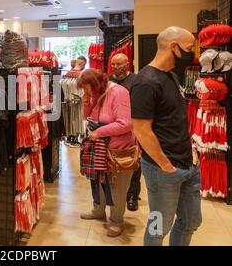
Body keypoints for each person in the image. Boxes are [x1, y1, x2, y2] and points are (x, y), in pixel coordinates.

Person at [131, 26, 201, 246]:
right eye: (190, 48)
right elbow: (141, 130)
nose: (193, 53)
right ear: (174, 46)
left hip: (188, 165)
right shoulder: (145, 81)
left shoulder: (170, 76)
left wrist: (191, 151)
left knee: (191, 221)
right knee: (158, 226)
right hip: (163, 169)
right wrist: (165, 165)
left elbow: (176, 118)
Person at [78, 69, 136, 237]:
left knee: (116, 187)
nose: (85, 91)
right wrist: (87, 103)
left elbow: (125, 123)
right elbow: (86, 117)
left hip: (117, 150)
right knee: (97, 181)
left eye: (86, 88)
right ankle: (98, 210)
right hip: (100, 148)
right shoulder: (97, 94)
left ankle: (117, 221)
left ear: (95, 84)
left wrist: (99, 132)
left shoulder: (119, 92)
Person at [109, 53, 140, 211]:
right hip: (114, 127)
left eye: (118, 64)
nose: (115, 67)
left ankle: (133, 195)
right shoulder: (109, 80)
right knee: (114, 162)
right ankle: (117, 195)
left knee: (133, 161)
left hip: (133, 126)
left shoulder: (136, 80)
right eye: (113, 64)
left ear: (126, 64)